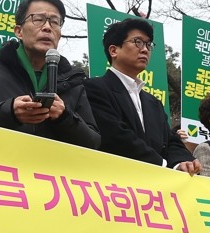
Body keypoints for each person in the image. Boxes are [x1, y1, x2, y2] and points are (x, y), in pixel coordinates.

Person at [0, 0, 100, 149]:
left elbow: (94, 143)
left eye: (55, 22)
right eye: (38, 19)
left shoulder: (74, 84)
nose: (48, 27)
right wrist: (8, 112)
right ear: (18, 31)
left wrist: (64, 117)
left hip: (50, 173)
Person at [83, 17, 200, 173]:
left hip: (158, 190)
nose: (145, 49)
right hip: (114, 185)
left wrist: (181, 163)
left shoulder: (154, 103)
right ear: (113, 50)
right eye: (137, 42)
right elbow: (116, 138)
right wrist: (162, 165)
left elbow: (171, 142)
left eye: (148, 44)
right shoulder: (94, 88)